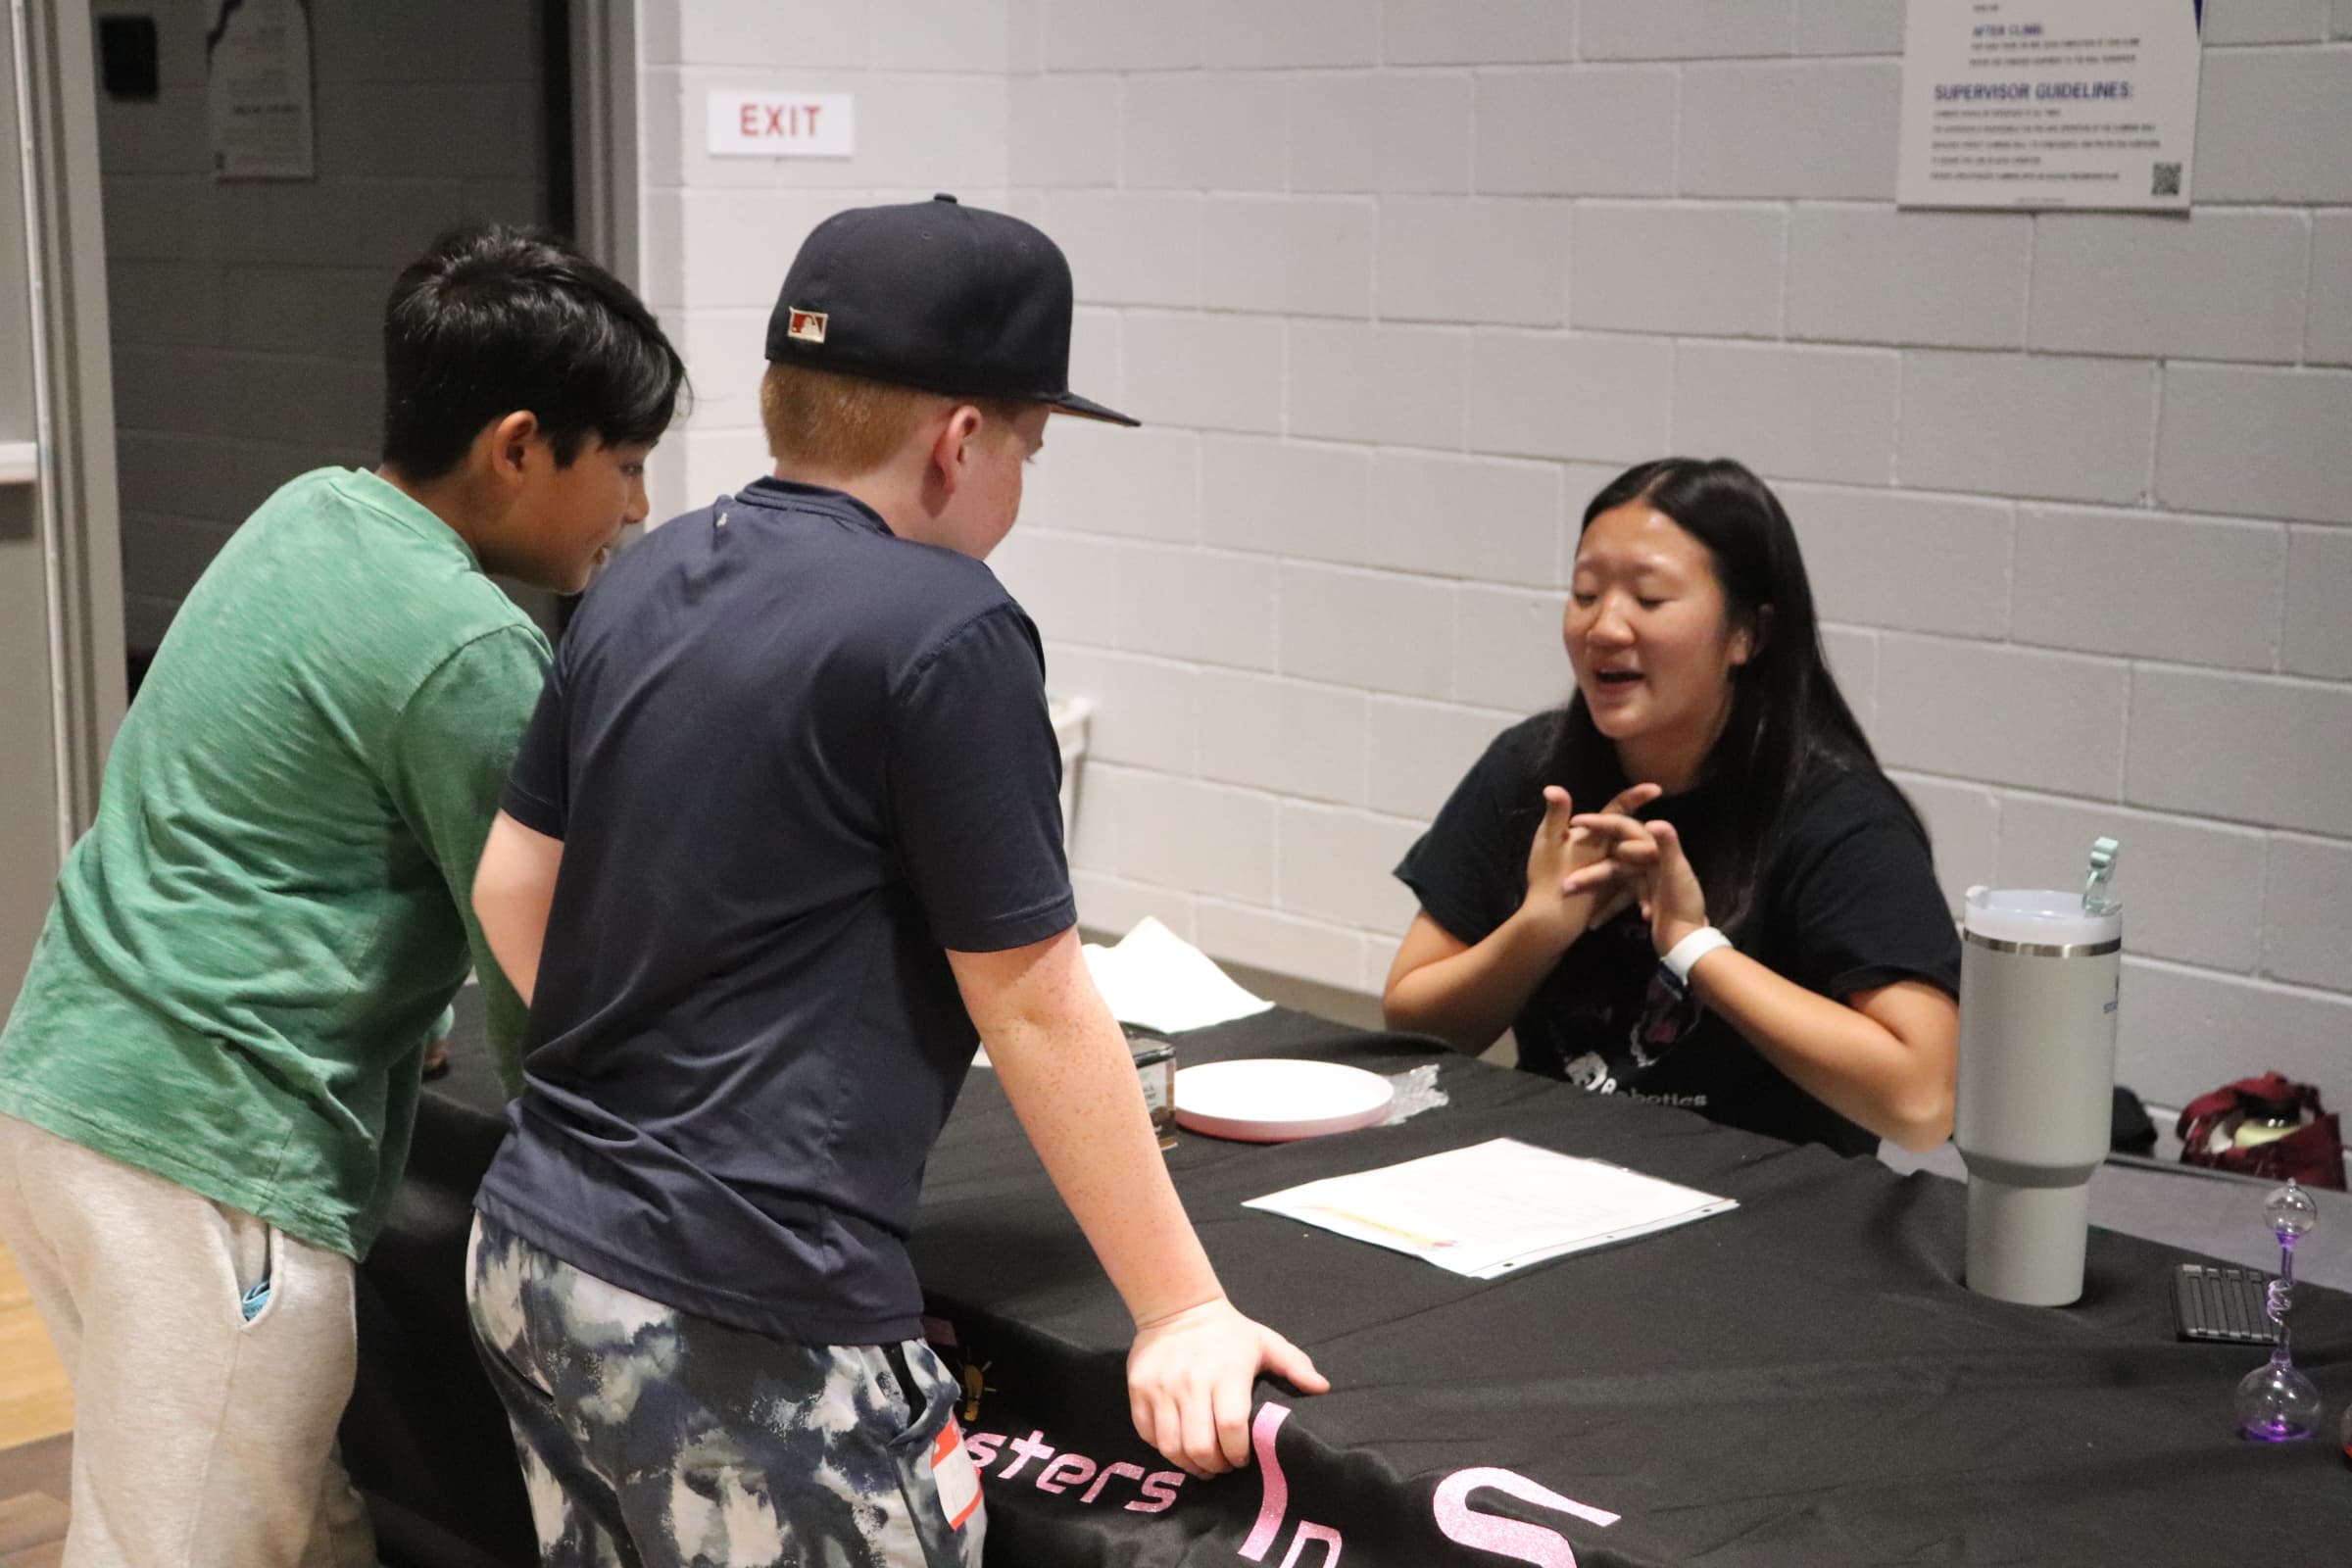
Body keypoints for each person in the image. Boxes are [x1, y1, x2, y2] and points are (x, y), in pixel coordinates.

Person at [463, 195, 1326, 1568]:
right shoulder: (949, 629)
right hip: (740, 1310)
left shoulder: (644, 574)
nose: (1021, 486)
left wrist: (648, 1065)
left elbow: (513, 883)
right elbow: (1033, 1002)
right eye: (1031, 448)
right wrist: (1179, 1313)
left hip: (534, 1249)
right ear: (961, 439)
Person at [0, 223, 683, 1567]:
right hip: (203, 1165)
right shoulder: (474, 650)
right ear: (519, 445)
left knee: (287, 1521)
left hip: (64, 1100)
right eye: (628, 464)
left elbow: (272, 819)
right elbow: (553, 997)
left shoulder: (309, 512)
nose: (639, 508)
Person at [1383, 458, 1959, 1156]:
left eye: (1649, 600)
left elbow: (1923, 1101)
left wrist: (1693, 946)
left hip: (1763, 1218)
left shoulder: (1837, 816)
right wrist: (1537, 928)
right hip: (1544, 1178)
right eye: (1585, 593)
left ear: (1749, 633)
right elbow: (1411, 1025)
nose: (1605, 627)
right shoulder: (1532, 773)